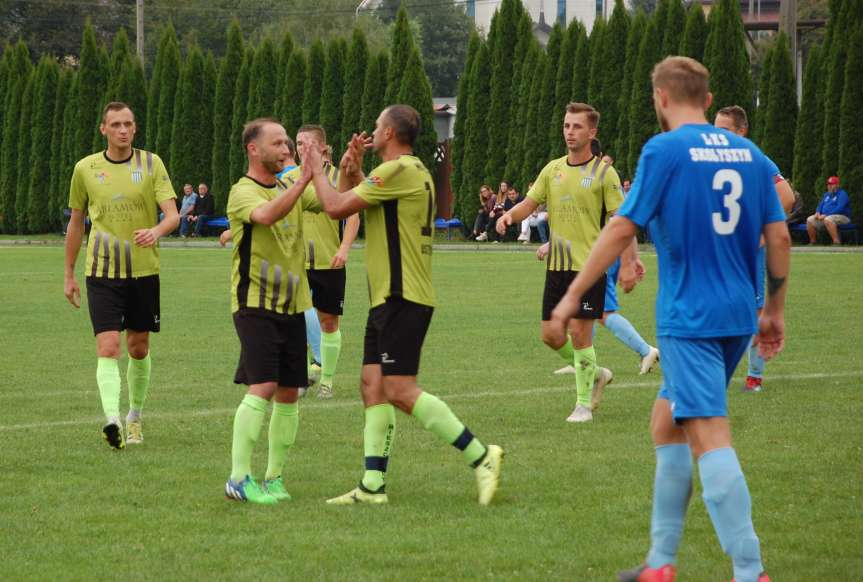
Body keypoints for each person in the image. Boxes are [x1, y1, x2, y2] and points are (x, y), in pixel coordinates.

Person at [545, 57, 789, 582]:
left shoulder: (663, 150)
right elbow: (781, 233)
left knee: (709, 434)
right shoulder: (749, 152)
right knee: (665, 422)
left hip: (690, 321)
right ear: (705, 99)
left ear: (660, 98)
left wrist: (570, 299)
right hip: (736, 316)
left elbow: (619, 227)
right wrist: (774, 308)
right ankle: (660, 563)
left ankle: (751, 570)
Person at [304, 104, 503, 506]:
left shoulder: (398, 171)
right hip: (388, 297)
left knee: (398, 387)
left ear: (390, 133)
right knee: (371, 385)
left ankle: (481, 455)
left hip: (403, 295)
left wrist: (314, 168)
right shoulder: (407, 173)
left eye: (377, 126)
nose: (371, 131)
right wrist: (349, 166)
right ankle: (373, 485)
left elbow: (334, 207)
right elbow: (353, 195)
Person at [496, 102, 639, 423]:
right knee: (550, 335)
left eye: (576, 126)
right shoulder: (552, 169)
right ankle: (597, 372)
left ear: (592, 132)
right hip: (557, 266)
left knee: (579, 333)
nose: (570, 132)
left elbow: (623, 221)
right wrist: (508, 215)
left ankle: (583, 405)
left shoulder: (605, 173)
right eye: (566, 126)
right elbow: (529, 204)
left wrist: (629, 262)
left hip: (589, 267)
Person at [64, 101, 179, 449]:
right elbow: (75, 222)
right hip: (101, 273)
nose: (124, 130)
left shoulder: (151, 163)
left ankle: (134, 417)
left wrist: (156, 232)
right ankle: (111, 419)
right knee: (108, 345)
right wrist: (68, 273)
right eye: (116, 125)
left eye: (128, 124)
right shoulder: (85, 168)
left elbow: (172, 215)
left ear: (135, 128)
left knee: (138, 347)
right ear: (103, 129)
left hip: (143, 271)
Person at [223, 118, 322, 505]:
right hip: (255, 303)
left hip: (293, 305)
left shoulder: (287, 185)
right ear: (254, 149)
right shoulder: (242, 191)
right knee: (262, 385)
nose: (287, 150)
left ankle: (274, 478)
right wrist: (302, 180)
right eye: (279, 144)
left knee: (288, 393)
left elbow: (332, 202)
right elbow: (266, 216)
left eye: (288, 144)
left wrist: (350, 167)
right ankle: (238, 478)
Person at [544, 151, 660, 377]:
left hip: (602, 257)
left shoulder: (605, 181)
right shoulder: (582, 181)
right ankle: (581, 360)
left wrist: (631, 260)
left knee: (603, 312)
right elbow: (577, 225)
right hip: (592, 256)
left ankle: (645, 350)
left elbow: (622, 224)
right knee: (584, 312)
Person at [714, 105, 795, 393]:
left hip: (747, 248)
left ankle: (754, 377)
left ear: (741, 132)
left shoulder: (754, 159)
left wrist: (762, 230)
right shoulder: (709, 159)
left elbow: (785, 196)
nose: (717, 135)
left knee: (754, 309)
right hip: (718, 246)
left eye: (724, 130)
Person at [282, 124, 361, 399]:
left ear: (323, 148)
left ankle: (326, 380)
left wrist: (344, 248)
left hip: (330, 261)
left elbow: (353, 215)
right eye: (298, 143)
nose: (300, 148)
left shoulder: (339, 178)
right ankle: (304, 375)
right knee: (297, 321)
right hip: (296, 263)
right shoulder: (289, 178)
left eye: (307, 143)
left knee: (329, 322)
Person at [806, 176, 852, 245]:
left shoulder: (842, 194)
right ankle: (813, 242)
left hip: (843, 217)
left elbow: (840, 208)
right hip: (825, 217)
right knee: (809, 220)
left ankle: (836, 242)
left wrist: (826, 215)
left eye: (832, 184)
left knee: (828, 219)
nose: (829, 186)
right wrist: (817, 213)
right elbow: (820, 205)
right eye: (828, 184)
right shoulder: (827, 195)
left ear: (837, 185)